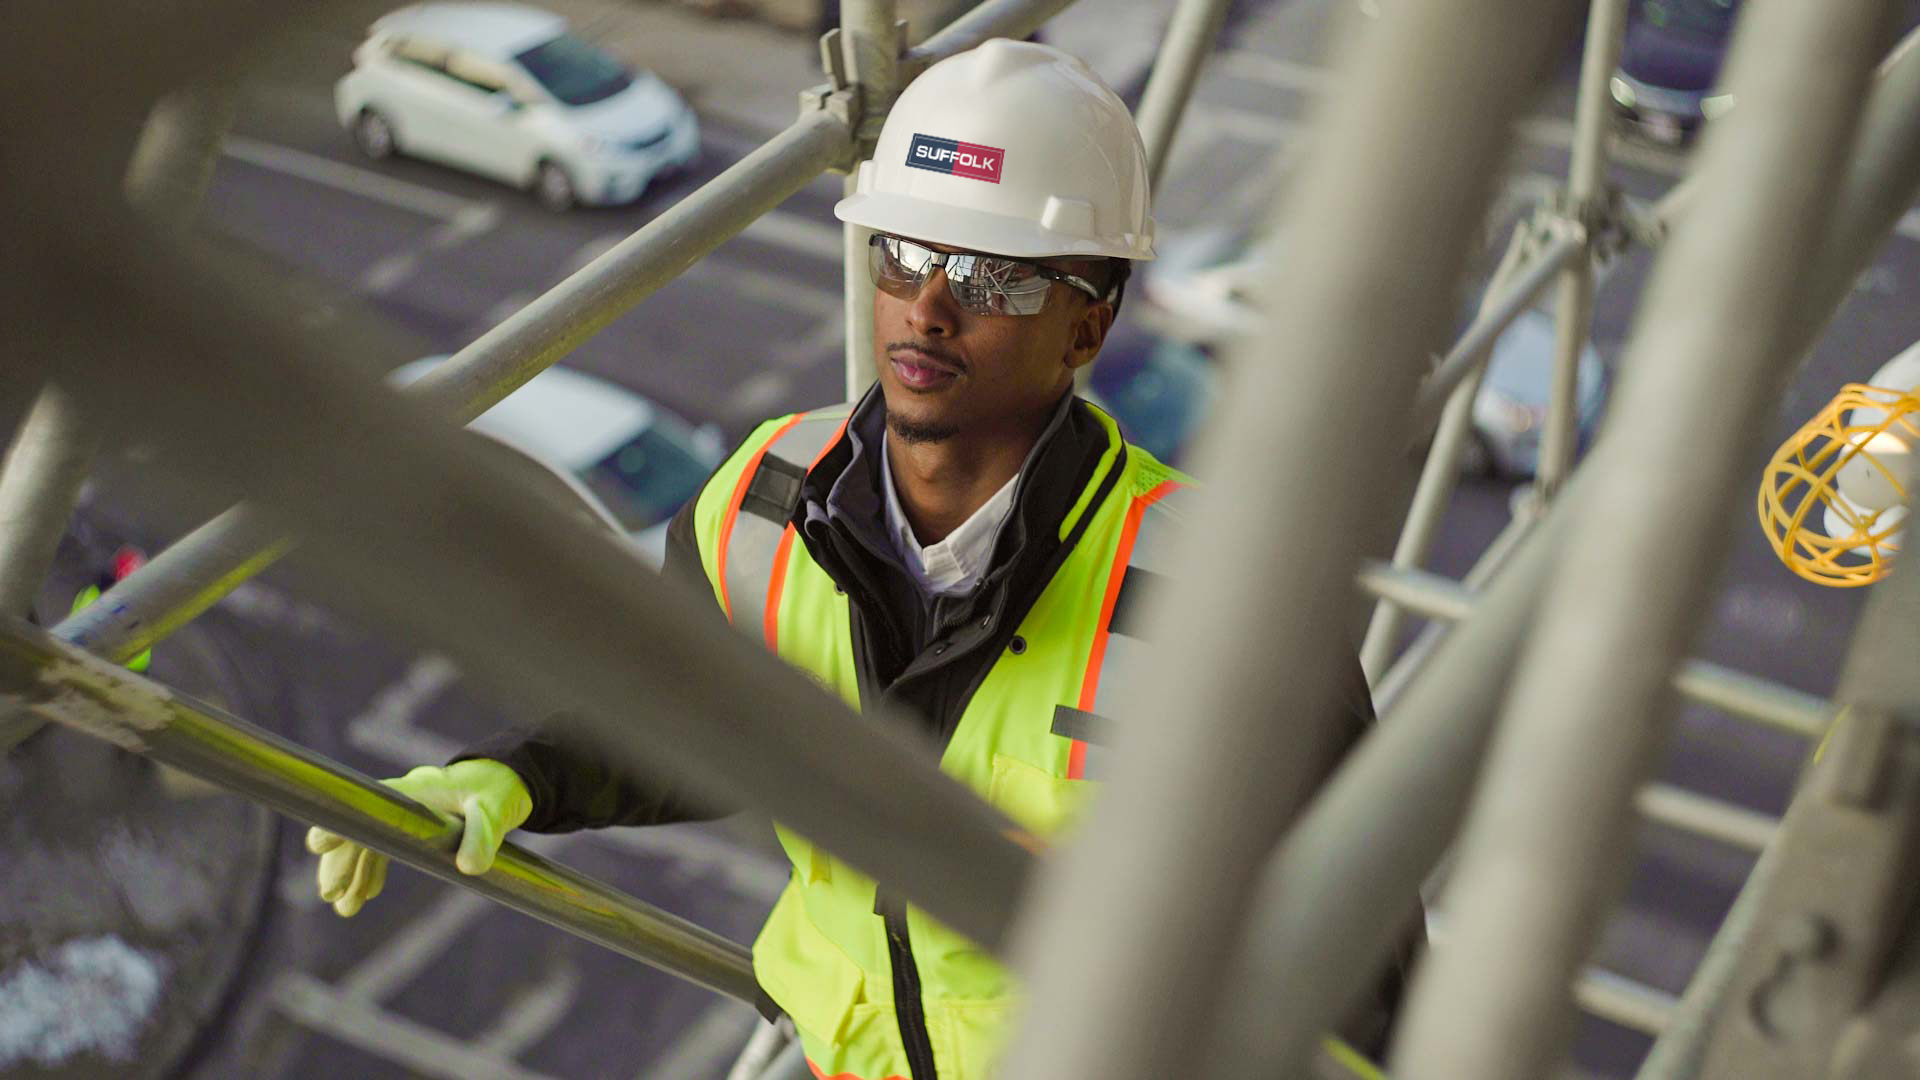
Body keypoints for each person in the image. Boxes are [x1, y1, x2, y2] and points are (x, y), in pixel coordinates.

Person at [306, 39, 1404, 1079]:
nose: (927, 307)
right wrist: (514, 775)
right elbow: (689, 720)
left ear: (1088, 327)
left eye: (989, 277)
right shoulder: (759, 501)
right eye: (907, 254)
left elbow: (1360, 955)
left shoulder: (1233, 602)